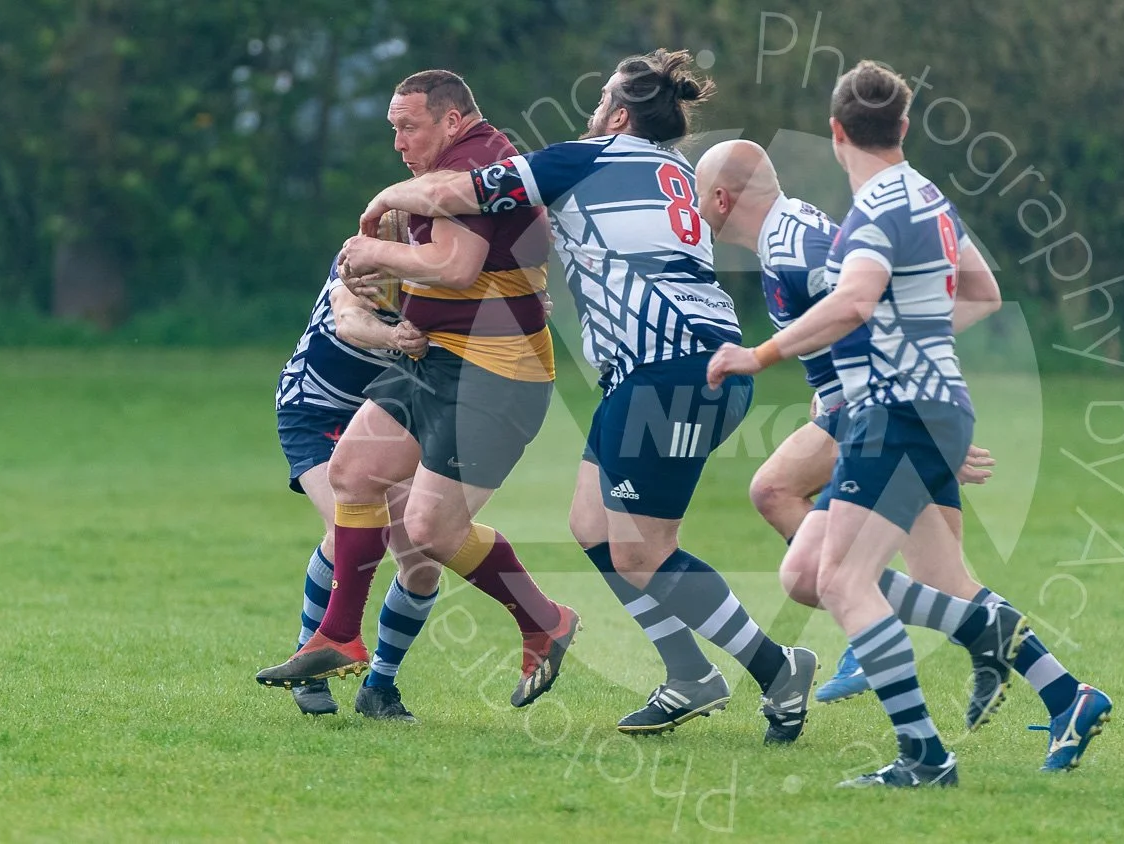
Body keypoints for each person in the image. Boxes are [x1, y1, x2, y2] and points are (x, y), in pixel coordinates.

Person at [353, 50, 818, 744]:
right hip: (677, 370)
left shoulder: (587, 159)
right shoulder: (673, 170)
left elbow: (461, 193)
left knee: (642, 551)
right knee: (593, 523)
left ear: (620, 116)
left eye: (602, 101)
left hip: (672, 372)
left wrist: (387, 200)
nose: (593, 112)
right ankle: (689, 672)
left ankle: (777, 668)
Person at [695, 138, 1113, 772]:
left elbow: (866, 317)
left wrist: (921, 425)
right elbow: (887, 320)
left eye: (699, 198)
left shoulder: (796, 248)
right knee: (940, 581)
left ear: (722, 200)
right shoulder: (792, 235)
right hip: (887, 413)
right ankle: (1064, 693)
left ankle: (918, 713)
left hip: (887, 419)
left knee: (796, 531)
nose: (697, 212)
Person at [709, 61, 1006, 788]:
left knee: (841, 573)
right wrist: (929, 389)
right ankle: (1040, 685)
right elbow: (981, 292)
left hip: (887, 410)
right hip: (915, 405)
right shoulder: (925, 194)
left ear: (837, 130)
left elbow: (853, 306)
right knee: (879, 574)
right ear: (902, 125)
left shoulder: (865, 214)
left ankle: (925, 749)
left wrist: (762, 355)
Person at [257, 70, 580, 717]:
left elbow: (455, 267)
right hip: (437, 361)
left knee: (429, 532)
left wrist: (372, 251)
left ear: (452, 120)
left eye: (409, 127)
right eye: (393, 129)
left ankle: (544, 621)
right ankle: (339, 636)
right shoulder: (458, 169)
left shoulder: (475, 166)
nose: (399, 142)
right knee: (354, 473)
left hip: (492, 375)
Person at [273, 257, 438, 719]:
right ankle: (309, 662)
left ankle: (380, 686)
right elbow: (348, 319)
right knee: (348, 530)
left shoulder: (458, 263)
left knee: (422, 561)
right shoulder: (373, 246)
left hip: (393, 415)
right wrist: (395, 337)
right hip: (318, 408)